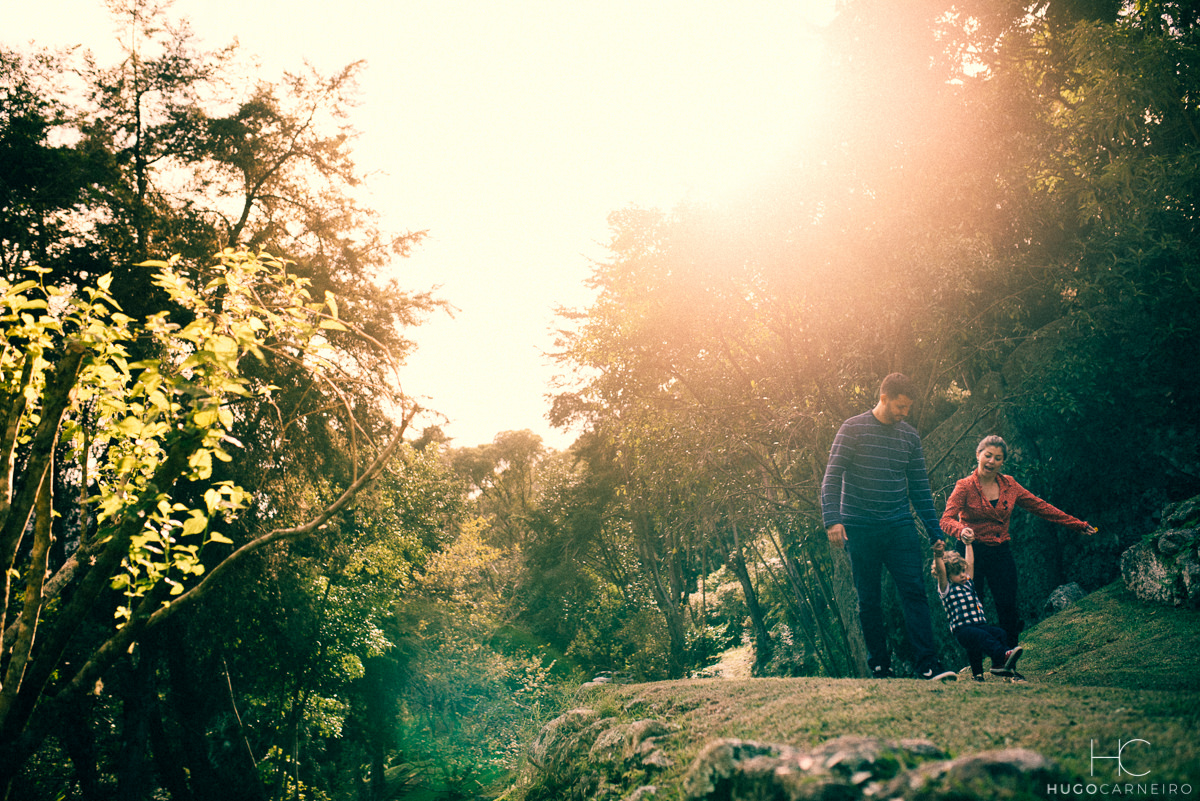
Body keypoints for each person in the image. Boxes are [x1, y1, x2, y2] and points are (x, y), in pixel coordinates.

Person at [822, 373, 956, 681]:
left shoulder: (909, 436)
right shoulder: (852, 429)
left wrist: (935, 532)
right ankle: (880, 666)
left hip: (899, 527)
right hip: (860, 527)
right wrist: (833, 519)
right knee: (868, 600)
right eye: (900, 406)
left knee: (915, 593)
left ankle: (928, 664)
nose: (904, 413)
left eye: (908, 407)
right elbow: (831, 478)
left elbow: (920, 489)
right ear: (883, 397)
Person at [940, 435, 1097, 660]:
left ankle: (1008, 662)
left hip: (1000, 552)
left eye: (998, 458)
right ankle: (977, 671)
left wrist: (1077, 524)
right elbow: (946, 519)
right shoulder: (964, 486)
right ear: (978, 455)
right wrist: (961, 530)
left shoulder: (1009, 485)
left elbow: (1041, 507)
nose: (991, 461)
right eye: (988, 455)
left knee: (1008, 608)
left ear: (1003, 462)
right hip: (970, 553)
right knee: (972, 612)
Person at [931, 533, 1023, 681]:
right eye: (956, 573)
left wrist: (968, 544)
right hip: (963, 630)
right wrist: (938, 555)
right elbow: (941, 571)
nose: (962, 575)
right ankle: (1004, 655)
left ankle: (998, 665)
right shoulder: (946, 589)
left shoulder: (968, 583)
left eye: (962, 571)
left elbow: (970, 563)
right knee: (984, 638)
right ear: (948, 576)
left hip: (980, 625)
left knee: (1000, 634)